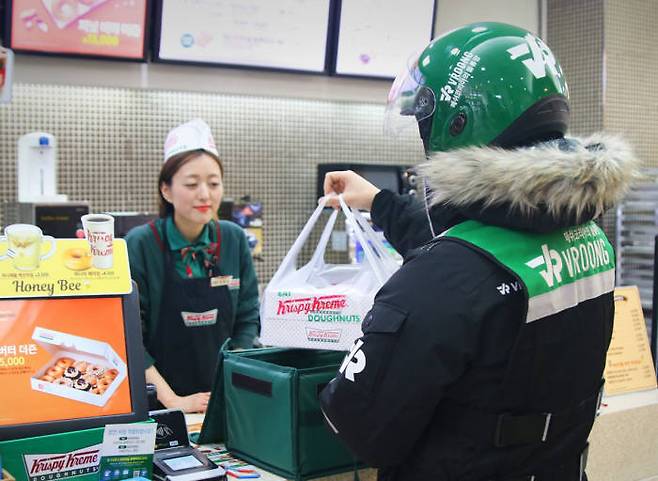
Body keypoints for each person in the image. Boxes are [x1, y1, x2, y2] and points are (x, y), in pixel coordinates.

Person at [319, 22, 638, 481]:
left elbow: (361, 427)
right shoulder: (587, 236)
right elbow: (480, 258)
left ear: (460, 121)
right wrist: (379, 202)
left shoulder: (445, 277)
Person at [126, 119, 260, 413]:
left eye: (213, 183)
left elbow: (248, 317)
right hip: (160, 402)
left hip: (225, 397)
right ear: (166, 190)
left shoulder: (234, 238)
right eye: (191, 184)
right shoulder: (140, 244)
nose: (205, 194)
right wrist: (173, 401)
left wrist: (232, 382)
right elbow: (129, 337)